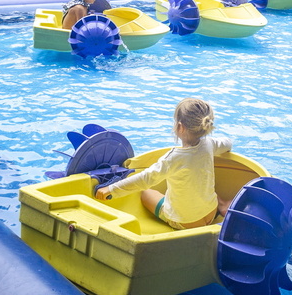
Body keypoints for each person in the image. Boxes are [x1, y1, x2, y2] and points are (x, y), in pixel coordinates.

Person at [94, 98, 232, 230]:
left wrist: (111, 189)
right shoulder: (209, 145)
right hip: (210, 213)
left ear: (180, 127)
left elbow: (144, 180)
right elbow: (227, 143)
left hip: (185, 222)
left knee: (146, 193)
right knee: (202, 183)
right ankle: (222, 204)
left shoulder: (173, 158)